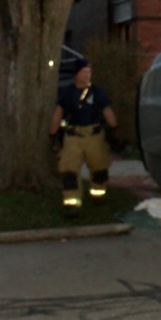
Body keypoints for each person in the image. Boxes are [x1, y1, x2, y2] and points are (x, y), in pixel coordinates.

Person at [49, 58, 119, 217]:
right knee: (69, 171)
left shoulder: (97, 92)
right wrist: (52, 134)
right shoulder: (66, 93)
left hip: (94, 135)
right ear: (76, 74)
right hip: (73, 135)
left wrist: (114, 129)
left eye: (89, 71)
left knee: (99, 167)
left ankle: (98, 194)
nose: (87, 75)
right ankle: (71, 202)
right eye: (84, 71)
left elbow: (107, 110)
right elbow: (58, 113)